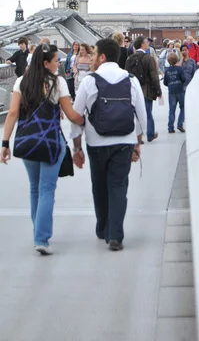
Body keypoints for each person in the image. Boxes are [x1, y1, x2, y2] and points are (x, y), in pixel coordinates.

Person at [0, 44, 84, 255]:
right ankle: (41, 238)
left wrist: (5, 143)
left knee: (35, 188)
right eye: (56, 61)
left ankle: (38, 232)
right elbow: (71, 115)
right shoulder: (58, 83)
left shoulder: (22, 81)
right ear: (46, 63)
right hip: (51, 144)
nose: (58, 64)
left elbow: (12, 113)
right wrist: (86, 119)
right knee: (47, 189)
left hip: (28, 143)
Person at [71, 38, 146, 251]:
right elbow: (141, 115)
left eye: (94, 54)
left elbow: (77, 117)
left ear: (102, 57)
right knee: (119, 186)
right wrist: (137, 143)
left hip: (96, 142)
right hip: (124, 140)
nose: (92, 58)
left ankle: (102, 227)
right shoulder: (130, 80)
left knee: (100, 185)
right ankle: (115, 235)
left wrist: (77, 147)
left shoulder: (89, 81)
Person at [125, 36, 162, 143]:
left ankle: (137, 136)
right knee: (148, 113)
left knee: (135, 114)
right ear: (142, 44)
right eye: (146, 42)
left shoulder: (129, 59)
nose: (148, 44)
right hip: (146, 89)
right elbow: (154, 76)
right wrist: (158, 90)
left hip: (133, 89)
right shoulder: (148, 58)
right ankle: (150, 134)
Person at [163, 53, 186, 133]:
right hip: (180, 90)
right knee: (183, 107)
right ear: (176, 60)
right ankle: (180, 124)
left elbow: (165, 82)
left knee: (172, 110)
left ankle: (170, 127)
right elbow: (184, 79)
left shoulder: (167, 70)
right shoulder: (180, 69)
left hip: (171, 91)